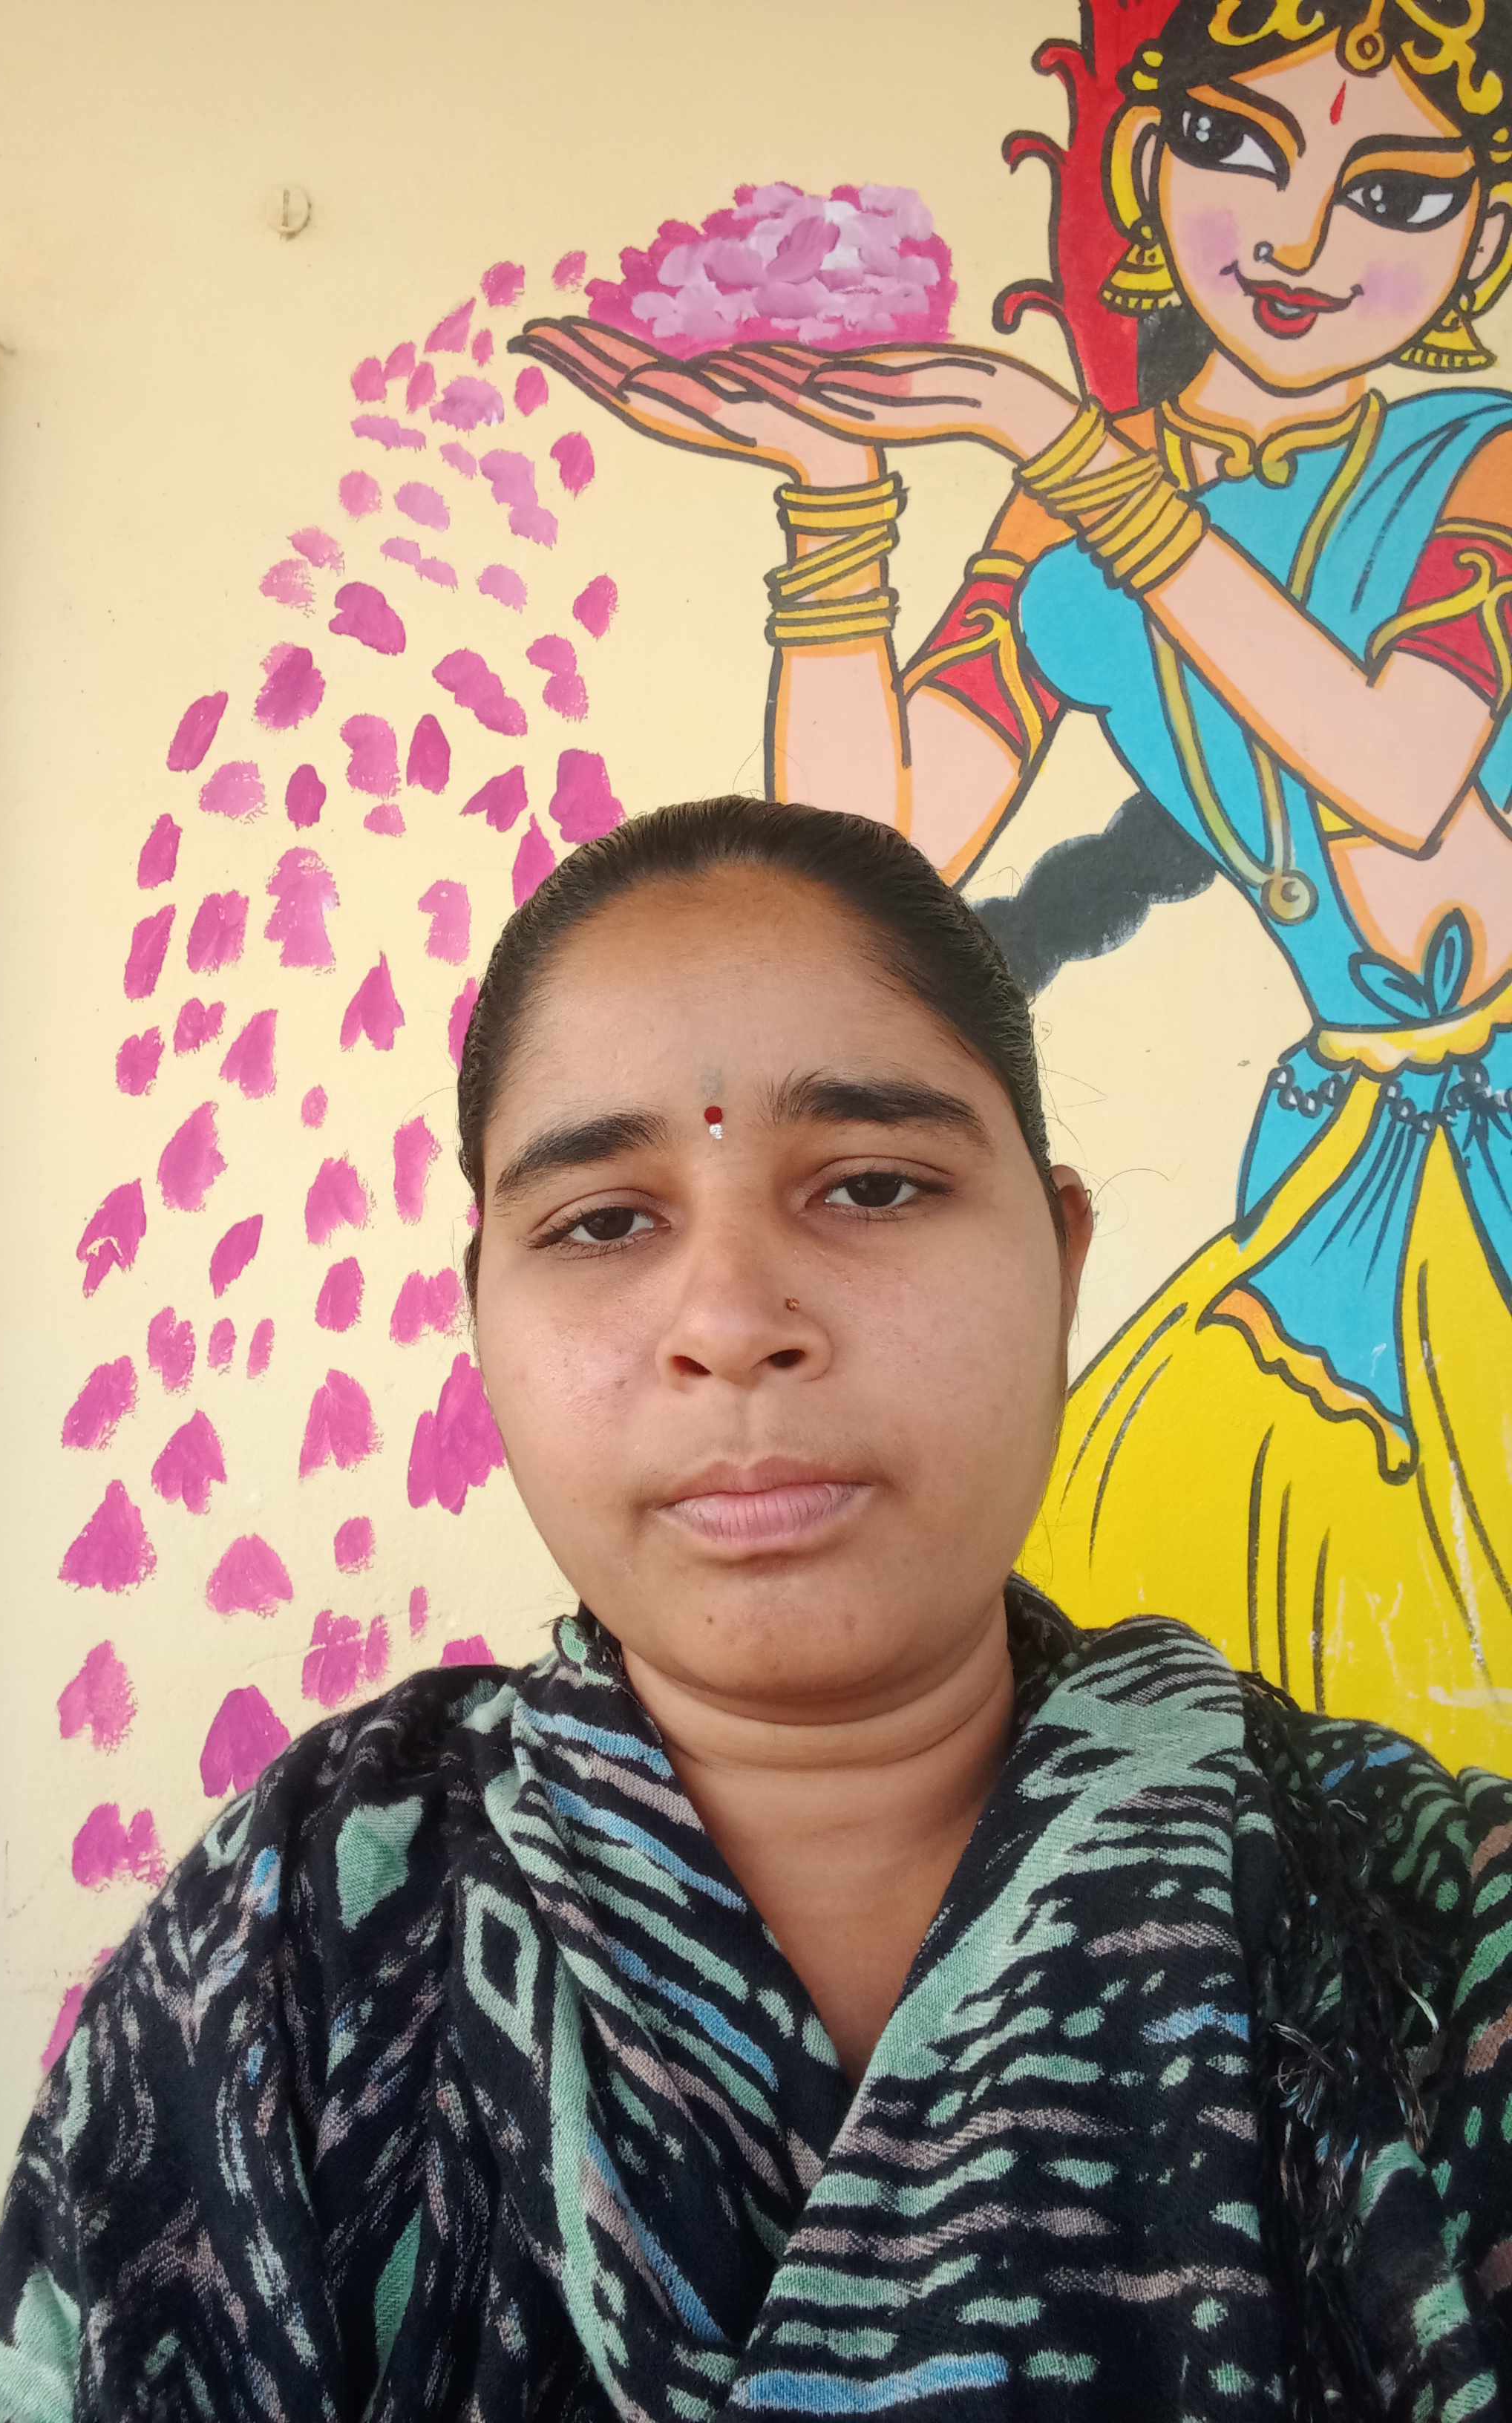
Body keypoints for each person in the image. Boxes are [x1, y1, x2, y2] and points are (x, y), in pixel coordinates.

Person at [0, 799, 1512, 2422]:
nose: (734, 1319)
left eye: (874, 1186)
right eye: (603, 1222)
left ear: (1061, 1258)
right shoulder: (294, 1937)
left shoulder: (1434, 1938)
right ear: (482, 1317)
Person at [514, 0, 1512, 1781]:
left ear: (1485, 239)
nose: (1299, 239)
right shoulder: (1074, 508)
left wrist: (1068, 449)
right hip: (1354, 1148)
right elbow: (874, 862)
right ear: (1143, 162)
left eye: (1396, 191)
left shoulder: (1479, 455)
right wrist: (837, 507)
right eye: (1237, 149)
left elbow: (1397, 762)